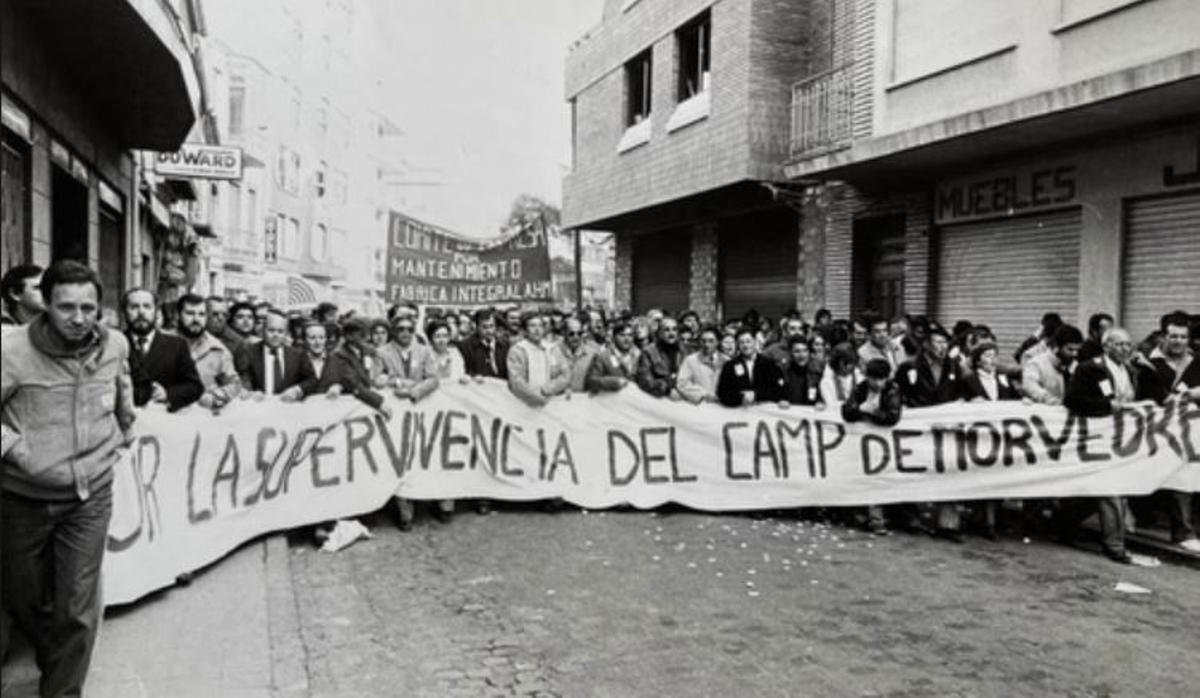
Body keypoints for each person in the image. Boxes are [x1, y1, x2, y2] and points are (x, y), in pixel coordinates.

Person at [1, 260, 135, 696]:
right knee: (24, 601)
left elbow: (121, 389)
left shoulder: (114, 344)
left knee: (77, 610)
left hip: (90, 495)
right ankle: (56, 661)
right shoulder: (11, 351)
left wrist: (124, 427)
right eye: (66, 307)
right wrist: (19, 452)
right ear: (45, 305)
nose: (79, 319)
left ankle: (61, 689)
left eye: (89, 308)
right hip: (21, 497)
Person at [1060, 330, 1157, 566]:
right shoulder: (1089, 369)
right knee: (1111, 488)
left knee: (1101, 489)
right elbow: (1072, 400)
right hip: (1096, 437)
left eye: (1128, 344)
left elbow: (1152, 391)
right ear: (1107, 347)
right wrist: (1107, 405)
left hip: (1122, 438)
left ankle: (1063, 523)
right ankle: (1115, 545)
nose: (1126, 349)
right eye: (1120, 345)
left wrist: (1149, 369)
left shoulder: (1132, 370)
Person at [895, 324, 962, 540]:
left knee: (949, 471)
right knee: (915, 470)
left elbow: (965, 389)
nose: (942, 347)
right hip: (919, 427)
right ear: (927, 344)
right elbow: (898, 393)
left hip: (946, 427)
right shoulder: (909, 367)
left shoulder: (955, 367)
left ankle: (948, 523)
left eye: (945, 343)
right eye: (938, 342)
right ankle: (911, 518)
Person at [122, 288, 203, 411]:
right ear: (124, 312)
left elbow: (195, 386)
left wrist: (167, 394)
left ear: (157, 311)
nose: (141, 312)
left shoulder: (177, 345)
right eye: (134, 307)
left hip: (164, 421)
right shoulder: (116, 344)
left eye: (147, 306)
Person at [177, 293, 241, 411]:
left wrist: (216, 395)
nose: (196, 319)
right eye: (190, 313)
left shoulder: (218, 349)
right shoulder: (163, 342)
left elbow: (234, 384)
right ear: (178, 315)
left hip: (204, 415)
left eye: (201, 314)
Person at [235, 309, 317, 400]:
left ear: (286, 333)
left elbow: (312, 380)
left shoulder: (298, 355)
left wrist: (297, 390)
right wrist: (250, 393)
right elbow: (243, 379)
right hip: (258, 407)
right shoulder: (249, 352)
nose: (275, 335)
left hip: (288, 407)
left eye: (280, 331)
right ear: (263, 330)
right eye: (271, 330)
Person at [506, 311, 569, 407]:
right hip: (524, 405)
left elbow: (565, 375)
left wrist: (546, 389)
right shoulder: (517, 350)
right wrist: (537, 398)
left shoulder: (552, 348)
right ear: (525, 330)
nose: (537, 329)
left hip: (551, 403)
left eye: (540, 326)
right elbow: (516, 382)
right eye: (532, 326)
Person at [716, 328, 787, 407]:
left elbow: (778, 389)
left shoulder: (769, 363)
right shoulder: (730, 366)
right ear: (737, 345)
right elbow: (722, 393)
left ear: (754, 342)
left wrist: (756, 395)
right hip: (739, 411)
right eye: (741, 342)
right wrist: (741, 397)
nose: (745, 345)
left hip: (765, 410)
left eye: (748, 341)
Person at [376, 316, 436, 401]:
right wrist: (398, 382)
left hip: (418, 403)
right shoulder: (380, 352)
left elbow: (433, 379)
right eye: (401, 329)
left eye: (410, 329)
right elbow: (375, 380)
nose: (406, 332)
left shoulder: (424, 351)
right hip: (390, 401)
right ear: (393, 331)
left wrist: (414, 392)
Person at [1021, 324, 1084, 405]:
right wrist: (1048, 398)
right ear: (1056, 347)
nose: (1075, 354)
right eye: (1070, 349)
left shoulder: (1075, 365)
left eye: (1077, 350)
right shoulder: (1036, 363)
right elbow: (1030, 386)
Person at [673, 326, 726, 404]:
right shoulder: (690, 360)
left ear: (718, 342)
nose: (706, 344)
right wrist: (703, 394)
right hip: (699, 406)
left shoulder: (727, 361)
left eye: (711, 341)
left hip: (722, 406)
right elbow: (682, 384)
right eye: (703, 341)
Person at [585, 320, 640, 393]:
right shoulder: (603, 357)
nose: (627, 339)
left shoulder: (639, 355)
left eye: (630, 335)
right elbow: (592, 381)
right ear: (614, 338)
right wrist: (614, 382)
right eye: (622, 335)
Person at [636, 315, 683, 398]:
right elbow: (645, 382)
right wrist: (668, 389)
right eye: (667, 330)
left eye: (674, 329)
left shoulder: (684, 350)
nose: (671, 333)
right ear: (659, 333)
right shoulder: (649, 352)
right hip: (659, 398)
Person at [461, 309, 510, 379]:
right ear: (477, 327)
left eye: (491, 326)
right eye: (484, 327)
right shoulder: (466, 346)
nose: (489, 331)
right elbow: (466, 371)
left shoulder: (504, 345)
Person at [556, 316, 599, 392]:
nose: (576, 337)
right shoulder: (553, 352)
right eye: (571, 333)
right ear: (563, 333)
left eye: (579, 333)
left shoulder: (592, 354)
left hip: (583, 400)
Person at [782, 336, 823, 406]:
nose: (802, 355)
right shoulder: (784, 373)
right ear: (790, 353)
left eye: (805, 351)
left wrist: (820, 402)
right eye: (797, 351)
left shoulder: (817, 373)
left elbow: (821, 396)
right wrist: (781, 401)